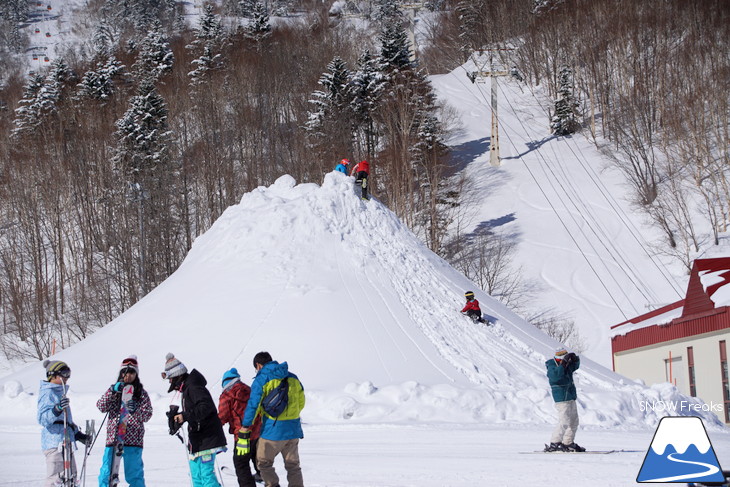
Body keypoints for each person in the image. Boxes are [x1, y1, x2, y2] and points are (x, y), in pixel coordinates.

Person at [240, 352, 305, 487]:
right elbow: (301, 402)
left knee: (263, 463)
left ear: (258, 365)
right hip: (293, 430)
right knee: (293, 466)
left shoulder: (262, 379)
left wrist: (246, 425)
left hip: (272, 431)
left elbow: (253, 405)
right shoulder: (293, 377)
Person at [163, 353, 227, 487]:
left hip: (207, 438)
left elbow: (206, 407)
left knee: (206, 475)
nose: (170, 382)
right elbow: (194, 411)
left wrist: (185, 416)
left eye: (170, 379)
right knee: (195, 475)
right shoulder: (187, 389)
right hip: (197, 440)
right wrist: (181, 417)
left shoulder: (193, 387)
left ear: (177, 376)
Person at [96, 355, 153, 487]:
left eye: (132, 372)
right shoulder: (114, 390)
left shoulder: (141, 393)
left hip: (133, 440)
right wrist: (112, 391)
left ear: (136, 374)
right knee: (107, 473)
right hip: (114, 438)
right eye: (125, 372)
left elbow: (147, 415)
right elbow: (101, 406)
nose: (128, 375)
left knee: (134, 474)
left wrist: (135, 410)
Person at [37, 359, 90, 487]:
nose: (67, 378)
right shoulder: (48, 392)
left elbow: (65, 421)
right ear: (53, 375)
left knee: (71, 478)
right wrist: (57, 409)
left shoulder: (59, 392)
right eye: (64, 374)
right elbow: (42, 419)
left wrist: (77, 435)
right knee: (56, 480)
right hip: (54, 443)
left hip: (65, 442)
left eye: (68, 374)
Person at [218, 368, 262, 487]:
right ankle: (263, 476)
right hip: (257, 432)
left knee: (241, 463)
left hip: (242, 435)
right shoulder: (249, 389)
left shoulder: (227, 395)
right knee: (256, 458)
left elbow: (222, 416)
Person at [544, 348, 585, 452]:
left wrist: (575, 360)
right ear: (559, 359)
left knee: (574, 421)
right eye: (564, 359)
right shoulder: (552, 366)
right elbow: (555, 377)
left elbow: (575, 366)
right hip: (561, 398)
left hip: (570, 396)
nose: (565, 361)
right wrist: (563, 364)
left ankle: (568, 442)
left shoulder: (565, 366)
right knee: (564, 421)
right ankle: (555, 443)